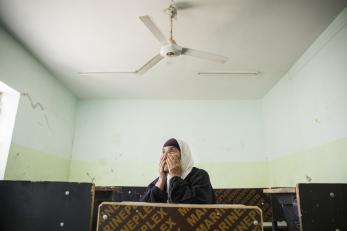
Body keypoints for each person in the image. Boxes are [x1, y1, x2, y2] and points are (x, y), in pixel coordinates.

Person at [140, 138, 216, 204]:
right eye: (163, 151)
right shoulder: (159, 181)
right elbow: (142, 209)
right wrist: (161, 180)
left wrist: (175, 177)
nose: (165, 156)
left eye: (171, 151)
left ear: (183, 155)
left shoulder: (199, 176)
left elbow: (194, 207)